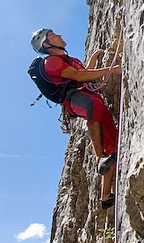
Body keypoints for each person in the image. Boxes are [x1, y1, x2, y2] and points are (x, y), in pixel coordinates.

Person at [30, 28, 122, 210]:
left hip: (86, 95)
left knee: (112, 145)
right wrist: (113, 70)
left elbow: (83, 72)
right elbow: (79, 76)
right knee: (92, 105)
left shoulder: (69, 60)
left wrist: (93, 59)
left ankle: (105, 196)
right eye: (53, 36)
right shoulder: (51, 63)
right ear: (46, 45)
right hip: (74, 99)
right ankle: (99, 157)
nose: (59, 35)